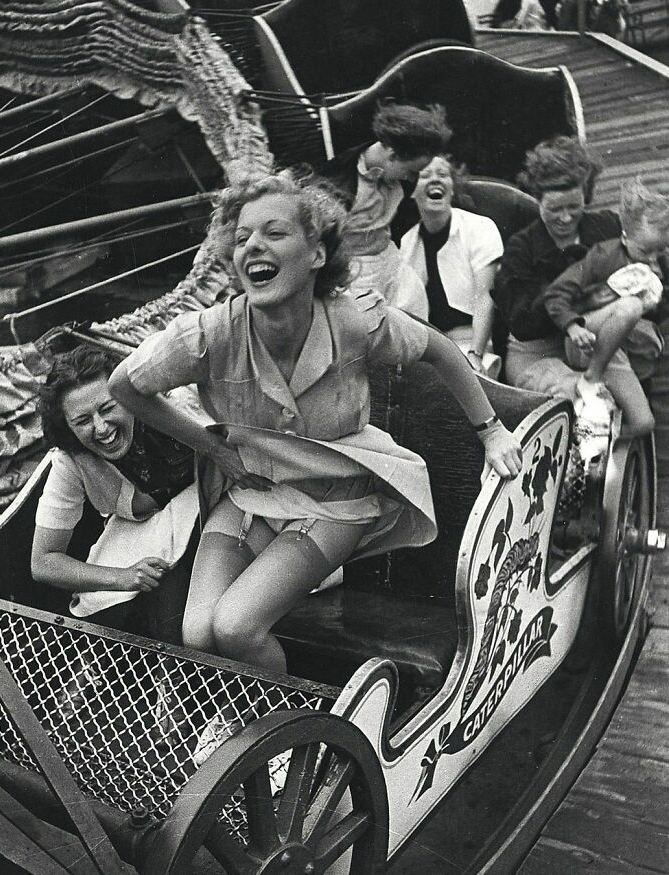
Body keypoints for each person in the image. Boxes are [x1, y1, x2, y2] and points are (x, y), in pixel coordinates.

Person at [108, 173, 522, 681]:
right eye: (241, 238)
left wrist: (491, 430)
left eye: (274, 233)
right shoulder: (209, 333)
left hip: (336, 501)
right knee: (198, 635)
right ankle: (253, 729)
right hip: (250, 496)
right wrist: (208, 447)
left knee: (237, 628)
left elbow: (440, 350)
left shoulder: (352, 320)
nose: (253, 244)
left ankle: (294, 739)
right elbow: (124, 386)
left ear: (317, 254)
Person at [31, 345, 200, 645]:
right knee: (112, 609)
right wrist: (122, 576)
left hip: (209, 509)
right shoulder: (71, 457)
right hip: (142, 532)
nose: (101, 428)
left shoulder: (179, 405)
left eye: (107, 408)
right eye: (82, 421)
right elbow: (43, 561)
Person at [493, 135, 621, 400]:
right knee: (576, 393)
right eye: (554, 208)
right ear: (537, 199)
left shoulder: (607, 227)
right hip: (537, 353)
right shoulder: (521, 248)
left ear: (586, 195)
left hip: (595, 344)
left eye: (574, 206)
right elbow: (522, 324)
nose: (565, 217)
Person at [543, 179, 668, 436]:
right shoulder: (602, 255)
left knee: (645, 424)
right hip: (586, 339)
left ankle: (597, 438)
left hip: (616, 350)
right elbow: (556, 293)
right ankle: (590, 380)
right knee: (630, 306)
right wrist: (572, 326)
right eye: (646, 251)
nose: (654, 258)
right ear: (624, 237)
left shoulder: (661, 265)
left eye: (661, 250)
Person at [320, 101, 452, 314]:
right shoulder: (337, 181)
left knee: (413, 321)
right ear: (392, 156)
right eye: (412, 170)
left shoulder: (403, 177)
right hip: (354, 272)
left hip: (391, 261)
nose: (413, 178)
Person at [399, 155, 504, 377]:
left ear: (453, 189)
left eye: (443, 175)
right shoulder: (407, 243)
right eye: (424, 175)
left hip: (474, 343)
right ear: (411, 191)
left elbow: (485, 297)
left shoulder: (480, 228)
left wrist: (476, 355)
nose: (434, 180)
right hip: (428, 349)